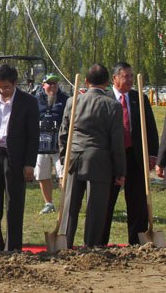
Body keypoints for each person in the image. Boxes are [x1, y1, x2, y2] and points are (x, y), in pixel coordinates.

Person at [59, 64, 126, 248]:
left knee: (69, 206)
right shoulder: (112, 105)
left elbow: (63, 134)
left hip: (74, 157)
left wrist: (64, 159)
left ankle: (64, 243)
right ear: (106, 82)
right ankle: (92, 246)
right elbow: (117, 142)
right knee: (96, 208)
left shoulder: (72, 102)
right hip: (99, 160)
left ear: (86, 81)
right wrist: (120, 170)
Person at [0, 64, 39, 251]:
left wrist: (29, 164)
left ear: (14, 83)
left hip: (16, 158)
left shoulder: (28, 102)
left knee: (14, 204)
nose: (2, 90)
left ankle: (12, 247)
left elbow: (33, 136)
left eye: (6, 87)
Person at [101, 62, 158, 245]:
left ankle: (137, 241)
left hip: (135, 156)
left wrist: (152, 155)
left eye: (132, 76)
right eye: (126, 76)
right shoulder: (106, 99)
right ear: (115, 78)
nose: (130, 80)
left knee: (137, 201)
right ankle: (101, 241)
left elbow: (150, 127)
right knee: (107, 201)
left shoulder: (138, 98)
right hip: (111, 158)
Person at [33, 73, 68, 214]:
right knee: (42, 174)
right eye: (50, 83)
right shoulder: (35, 100)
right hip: (41, 144)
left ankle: (65, 204)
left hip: (60, 144)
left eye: (55, 83)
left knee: (62, 174)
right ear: (43, 85)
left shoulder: (65, 100)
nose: (53, 86)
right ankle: (49, 203)